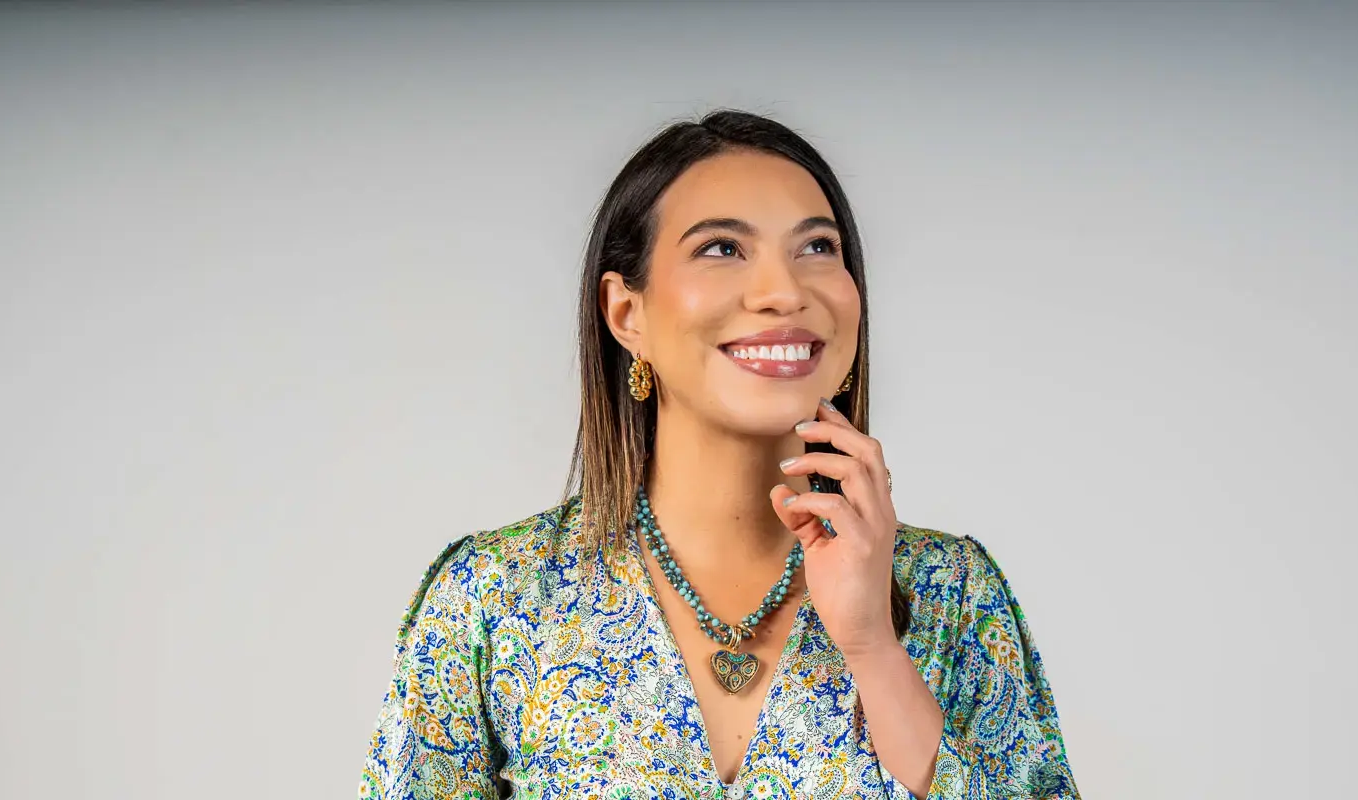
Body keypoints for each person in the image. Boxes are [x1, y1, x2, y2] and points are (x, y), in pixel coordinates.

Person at [357, 110, 1079, 800]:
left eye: (817, 247)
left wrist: (874, 649)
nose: (783, 292)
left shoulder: (951, 591)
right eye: (722, 248)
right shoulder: (493, 597)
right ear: (626, 313)